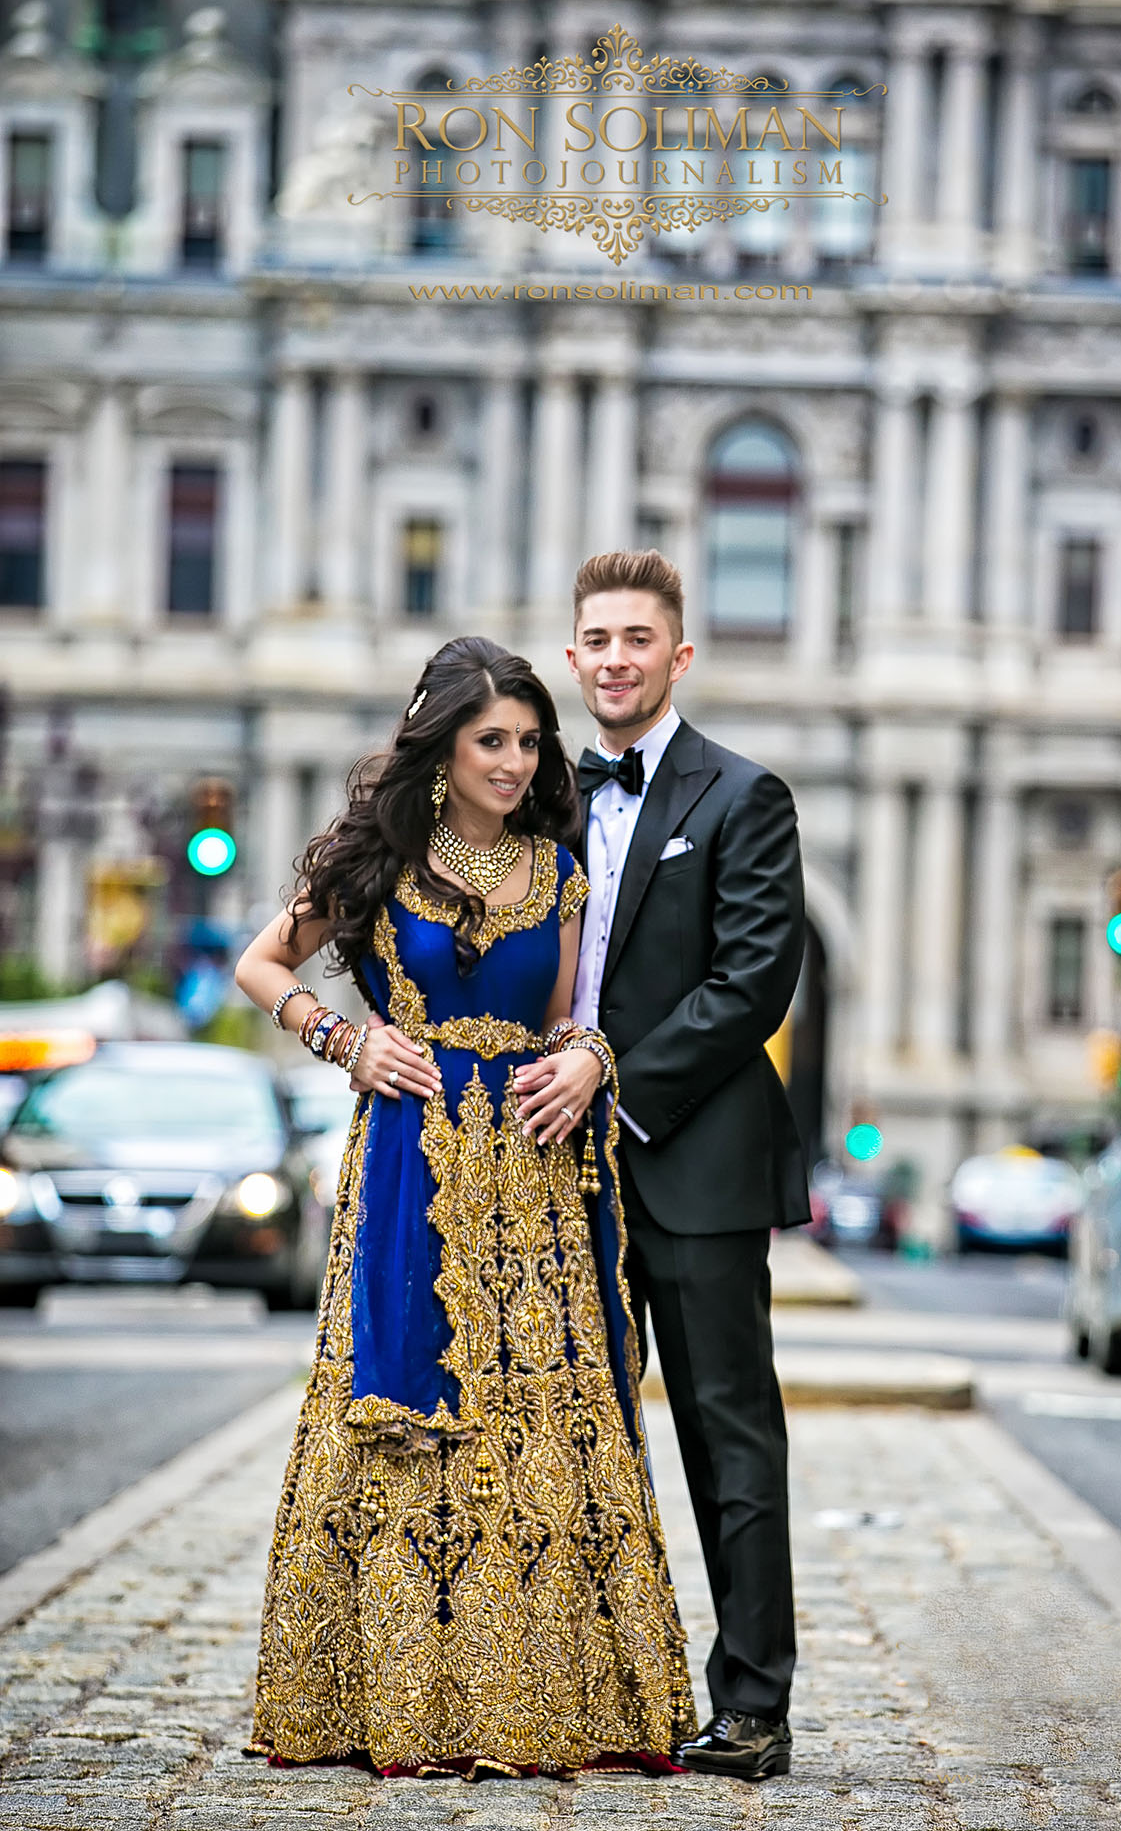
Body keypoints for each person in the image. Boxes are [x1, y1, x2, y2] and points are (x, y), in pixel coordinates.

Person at [234, 635, 695, 1781]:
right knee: (406, 1408)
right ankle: (391, 1695)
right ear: (441, 751)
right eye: (492, 740)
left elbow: (561, 1018)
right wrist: (344, 1036)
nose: (514, 759)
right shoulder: (381, 864)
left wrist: (585, 1054)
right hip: (412, 1155)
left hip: (533, 1173)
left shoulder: (558, 874)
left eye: (529, 742)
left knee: (537, 1417)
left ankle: (548, 1697)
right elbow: (261, 966)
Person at [513, 552, 808, 1782]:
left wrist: (608, 1074)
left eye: (640, 637)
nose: (617, 657)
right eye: (597, 638)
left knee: (724, 1438)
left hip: (693, 1169)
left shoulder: (744, 797)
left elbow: (750, 985)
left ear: (677, 658)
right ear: (572, 658)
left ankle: (750, 1707)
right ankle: (600, 1688)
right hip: (549, 1169)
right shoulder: (539, 801)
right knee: (571, 1439)